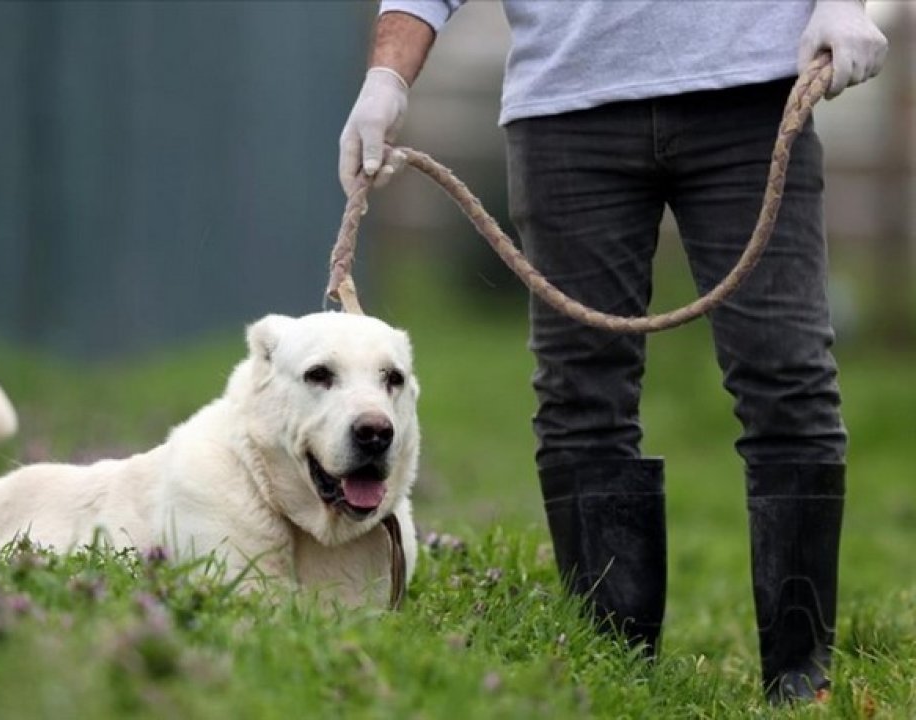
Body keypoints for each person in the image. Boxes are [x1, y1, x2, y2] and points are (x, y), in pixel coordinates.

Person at [337, 0, 888, 704]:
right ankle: (614, 675)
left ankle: (800, 679)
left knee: (789, 380)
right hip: (565, 108)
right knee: (581, 397)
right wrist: (388, 76)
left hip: (752, 94)